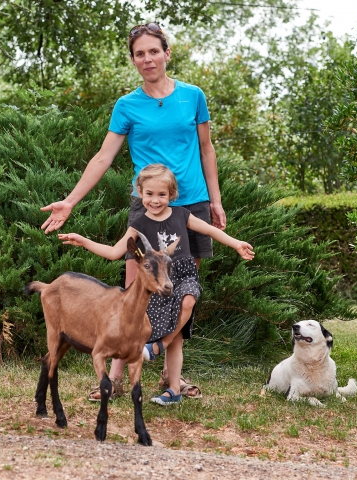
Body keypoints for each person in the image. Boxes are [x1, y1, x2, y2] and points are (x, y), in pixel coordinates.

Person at [40, 22, 226, 400]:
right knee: (132, 288)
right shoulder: (127, 105)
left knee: (177, 292)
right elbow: (104, 157)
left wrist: (215, 200)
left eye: (153, 51)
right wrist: (70, 200)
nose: (147, 59)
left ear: (166, 53)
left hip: (190, 204)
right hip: (146, 209)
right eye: (139, 53)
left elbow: (207, 150)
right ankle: (114, 377)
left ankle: (171, 379)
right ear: (133, 59)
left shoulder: (193, 96)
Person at [58, 164, 254, 404]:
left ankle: (161, 350)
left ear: (171, 195)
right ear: (140, 193)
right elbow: (114, 252)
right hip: (155, 286)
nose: (155, 200)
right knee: (164, 335)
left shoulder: (182, 214)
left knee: (189, 298)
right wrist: (83, 241)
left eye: (162, 194)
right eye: (149, 194)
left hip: (181, 275)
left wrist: (236, 243)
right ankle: (169, 390)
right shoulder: (139, 225)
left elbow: (210, 230)